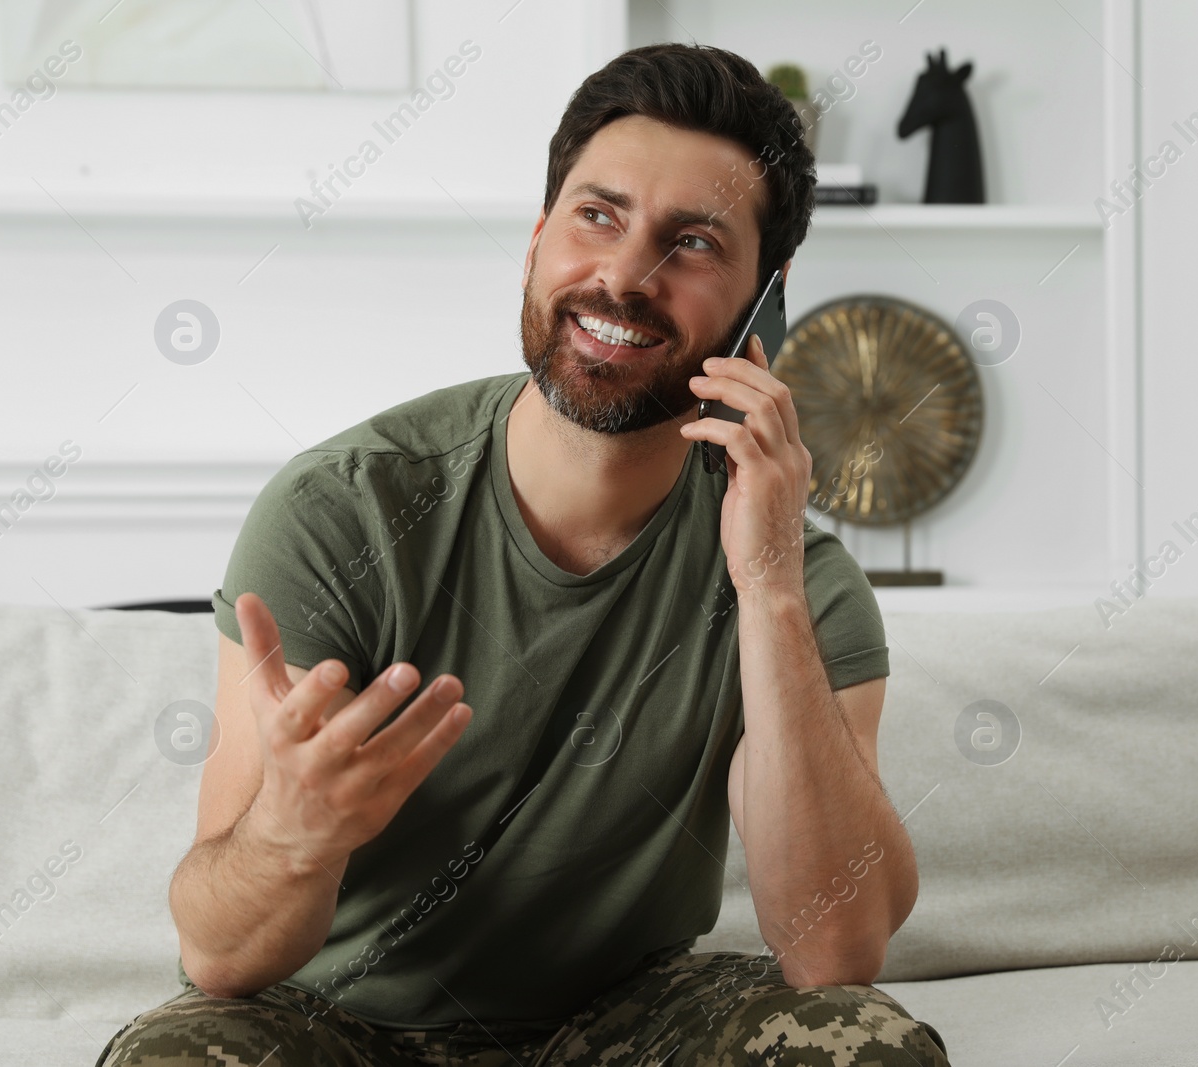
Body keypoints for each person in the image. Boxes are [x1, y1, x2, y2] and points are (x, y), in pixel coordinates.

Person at [95, 41, 950, 1067]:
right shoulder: (342, 513)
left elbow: (836, 945)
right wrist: (295, 828)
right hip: (338, 1020)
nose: (625, 275)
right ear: (540, 236)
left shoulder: (800, 580)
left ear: (763, 300)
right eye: (597, 216)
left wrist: (765, 586)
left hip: (620, 1021)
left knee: (859, 1046)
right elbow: (218, 951)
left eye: (692, 244)